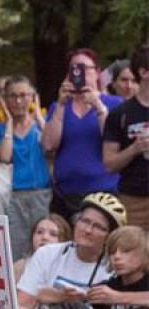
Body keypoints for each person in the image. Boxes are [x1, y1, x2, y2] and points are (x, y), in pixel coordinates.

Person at [19, 194, 121, 309]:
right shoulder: (47, 254)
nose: (87, 230)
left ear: (110, 236)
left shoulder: (114, 268)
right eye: (84, 221)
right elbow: (22, 304)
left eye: (98, 227)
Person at [43, 48, 122, 218]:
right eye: (74, 69)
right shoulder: (58, 107)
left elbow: (114, 139)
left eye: (85, 68)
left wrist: (98, 106)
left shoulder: (115, 104)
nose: (80, 73)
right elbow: (49, 145)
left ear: (97, 73)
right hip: (66, 194)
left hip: (104, 192)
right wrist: (61, 105)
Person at [0, 76, 52, 261]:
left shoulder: (43, 124)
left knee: (44, 251)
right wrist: (8, 122)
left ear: (33, 97)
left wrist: (39, 118)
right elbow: (5, 157)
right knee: (16, 252)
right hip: (13, 197)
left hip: (42, 195)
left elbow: (51, 147)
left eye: (24, 95)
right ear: (4, 99)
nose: (18, 101)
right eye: (12, 96)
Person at [102, 44, 149, 229]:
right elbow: (109, 164)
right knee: (132, 253)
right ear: (144, 72)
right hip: (133, 200)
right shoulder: (120, 114)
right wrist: (134, 149)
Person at [14, 214, 72, 309]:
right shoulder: (21, 265)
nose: (44, 237)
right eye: (39, 232)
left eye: (53, 234)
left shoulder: (68, 269)